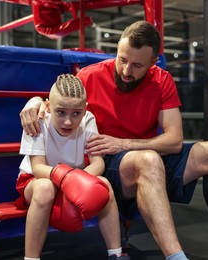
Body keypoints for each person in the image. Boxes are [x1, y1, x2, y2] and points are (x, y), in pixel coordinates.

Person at [19, 21, 208, 260]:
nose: (125, 70)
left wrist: (123, 143)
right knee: (148, 159)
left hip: (141, 153)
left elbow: (174, 141)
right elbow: (60, 105)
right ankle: (176, 258)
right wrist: (34, 102)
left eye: (136, 66)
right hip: (109, 164)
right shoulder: (90, 76)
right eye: (122, 59)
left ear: (153, 62)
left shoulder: (162, 80)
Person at [15, 74, 130, 260]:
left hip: (75, 180)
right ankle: (31, 258)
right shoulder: (37, 120)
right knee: (45, 188)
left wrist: (77, 182)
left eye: (76, 113)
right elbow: (37, 168)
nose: (68, 121)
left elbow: (98, 163)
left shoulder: (88, 120)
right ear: (48, 106)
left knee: (105, 185)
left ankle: (116, 254)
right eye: (60, 112)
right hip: (37, 181)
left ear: (84, 110)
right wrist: (69, 179)